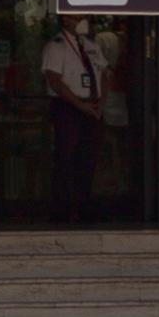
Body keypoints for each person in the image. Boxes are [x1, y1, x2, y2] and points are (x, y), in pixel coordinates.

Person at [41, 13, 103, 220]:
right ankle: (64, 209)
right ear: (65, 19)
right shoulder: (56, 46)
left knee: (88, 158)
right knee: (66, 158)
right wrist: (79, 105)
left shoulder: (90, 45)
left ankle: (84, 205)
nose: (81, 19)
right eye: (76, 16)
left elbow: (106, 73)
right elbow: (54, 80)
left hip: (91, 107)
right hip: (68, 106)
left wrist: (100, 102)